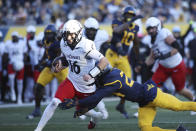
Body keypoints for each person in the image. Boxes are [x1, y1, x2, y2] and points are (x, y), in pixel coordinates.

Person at [58, 67, 194, 131]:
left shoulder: (112, 81)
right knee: (145, 128)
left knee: (179, 106)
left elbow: (97, 96)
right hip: (144, 102)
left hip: (151, 94)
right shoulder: (112, 74)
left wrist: (77, 103)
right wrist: (84, 109)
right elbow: (96, 99)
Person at [34, 19, 109, 131]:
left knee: (82, 112)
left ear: (78, 33)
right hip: (72, 81)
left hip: (87, 86)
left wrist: (91, 74)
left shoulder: (86, 45)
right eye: (66, 34)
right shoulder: (63, 44)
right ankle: (38, 129)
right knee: (54, 102)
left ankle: (96, 116)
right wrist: (59, 66)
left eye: (71, 35)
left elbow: (104, 61)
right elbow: (68, 59)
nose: (68, 38)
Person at [145, 17, 195, 102]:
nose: (150, 31)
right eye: (149, 29)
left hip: (176, 66)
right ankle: (144, 110)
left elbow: (177, 47)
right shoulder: (151, 40)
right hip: (163, 67)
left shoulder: (163, 33)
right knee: (151, 86)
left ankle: (194, 102)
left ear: (158, 26)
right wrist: (142, 65)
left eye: (152, 28)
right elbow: (151, 57)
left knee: (180, 90)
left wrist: (166, 55)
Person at [105, 5, 142, 118]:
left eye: (131, 15)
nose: (129, 17)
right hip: (111, 54)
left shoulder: (135, 27)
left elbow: (136, 44)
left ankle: (121, 105)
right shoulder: (117, 22)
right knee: (104, 77)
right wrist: (131, 21)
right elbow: (116, 30)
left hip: (123, 57)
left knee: (128, 82)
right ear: (124, 15)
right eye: (127, 15)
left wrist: (138, 60)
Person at [26, 24, 68, 119]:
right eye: (46, 33)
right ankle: (37, 109)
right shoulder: (45, 41)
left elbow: (57, 59)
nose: (48, 36)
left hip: (60, 67)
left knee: (71, 88)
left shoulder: (58, 43)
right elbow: (47, 52)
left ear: (54, 34)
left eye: (50, 34)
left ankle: (81, 106)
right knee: (38, 86)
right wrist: (41, 61)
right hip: (50, 68)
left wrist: (44, 64)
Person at [77, 17, 109, 120]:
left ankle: (100, 110)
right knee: (80, 87)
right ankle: (97, 110)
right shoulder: (80, 36)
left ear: (97, 30)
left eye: (93, 30)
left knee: (92, 88)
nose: (90, 32)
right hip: (81, 63)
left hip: (96, 62)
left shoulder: (102, 35)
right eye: (89, 30)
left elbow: (111, 39)